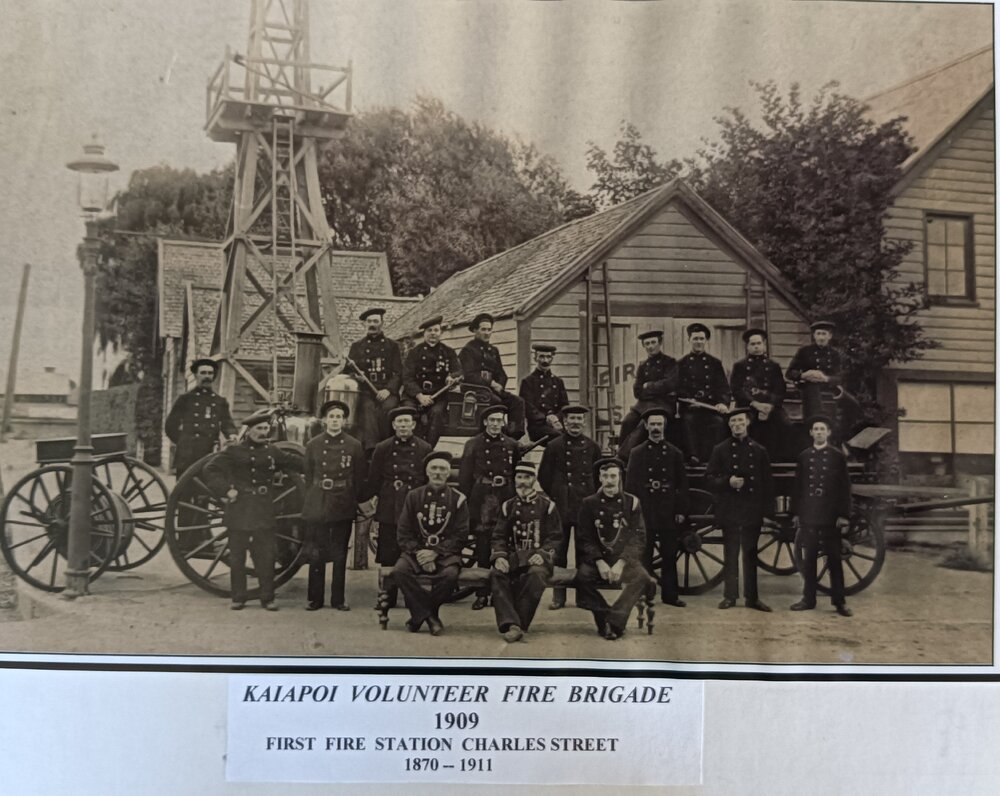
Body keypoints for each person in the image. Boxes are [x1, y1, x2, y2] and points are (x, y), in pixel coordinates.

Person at [202, 409, 303, 610]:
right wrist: (225, 490)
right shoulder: (233, 452)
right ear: (249, 430)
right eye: (259, 428)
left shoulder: (273, 452)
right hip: (239, 508)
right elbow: (210, 469)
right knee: (238, 556)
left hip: (263, 510)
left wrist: (324, 464)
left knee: (265, 555)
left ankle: (268, 597)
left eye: (266, 428)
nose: (263, 432)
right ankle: (238, 597)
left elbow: (297, 463)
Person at [575, 457, 655, 640]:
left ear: (620, 478)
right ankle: (604, 618)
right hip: (598, 559)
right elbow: (584, 538)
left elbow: (639, 538)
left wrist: (621, 563)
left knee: (642, 577)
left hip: (623, 559)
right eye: (605, 476)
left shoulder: (632, 503)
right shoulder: (589, 503)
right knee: (582, 578)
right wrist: (600, 562)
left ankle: (615, 620)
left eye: (613, 476)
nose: (609, 481)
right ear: (600, 478)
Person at [392, 451, 470, 636]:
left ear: (448, 473)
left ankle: (419, 616)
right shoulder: (414, 496)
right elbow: (403, 532)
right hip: (415, 553)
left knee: (450, 576)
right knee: (399, 571)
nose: (437, 472)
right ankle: (430, 617)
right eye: (433, 468)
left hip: (446, 554)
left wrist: (435, 552)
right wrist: (420, 553)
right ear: (427, 472)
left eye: (442, 469)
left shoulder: (458, 499)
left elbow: (461, 534)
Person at [705, 408, 774, 612]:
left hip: (752, 509)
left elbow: (767, 485)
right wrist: (728, 481)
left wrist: (768, 513)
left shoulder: (759, 450)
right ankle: (730, 596)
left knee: (751, 555)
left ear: (747, 423)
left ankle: (752, 598)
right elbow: (709, 478)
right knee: (731, 554)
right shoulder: (720, 449)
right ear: (729, 425)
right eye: (733, 421)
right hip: (730, 509)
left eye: (740, 421)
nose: (737, 425)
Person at [301, 399, 367, 612]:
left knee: (339, 553)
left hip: (342, 502)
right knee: (316, 552)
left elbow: (359, 477)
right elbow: (309, 475)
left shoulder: (354, 445)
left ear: (344, 421)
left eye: (339, 417)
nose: (335, 420)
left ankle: (338, 599)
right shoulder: (313, 444)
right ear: (324, 420)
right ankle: (315, 599)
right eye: (331, 417)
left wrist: (351, 499)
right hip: (318, 501)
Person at [364, 406, 433, 609]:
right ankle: (388, 597)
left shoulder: (424, 448)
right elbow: (374, 478)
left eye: (407, 422)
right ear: (394, 425)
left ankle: (413, 597)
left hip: (413, 504)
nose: (403, 425)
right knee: (388, 552)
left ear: (413, 424)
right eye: (399, 422)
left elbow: (428, 481)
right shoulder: (383, 448)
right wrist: (369, 498)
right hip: (389, 503)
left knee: (414, 550)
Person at [488, 462, 564, 642]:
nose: (522, 482)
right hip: (515, 557)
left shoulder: (547, 506)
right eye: (519, 477)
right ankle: (511, 623)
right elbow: (498, 536)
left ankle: (517, 624)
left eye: (527, 477)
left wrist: (544, 554)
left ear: (534, 480)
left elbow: (556, 537)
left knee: (536, 575)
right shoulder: (508, 506)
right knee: (497, 574)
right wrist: (499, 556)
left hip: (538, 558)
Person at [537, 404, 601, 610]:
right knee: (559, 552)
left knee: (585, 552)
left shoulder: (592, 447)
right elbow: (543, 476)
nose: (575, 423)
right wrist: (556, 495)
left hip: (584, 506)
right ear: (564, 422)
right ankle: (559, 597)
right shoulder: (554, 446)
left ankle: (584, 596)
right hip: (562, 506)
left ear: (583, 423)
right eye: (571, 419)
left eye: (579, 419)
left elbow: (599, 476)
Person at [790, 415, 854, 617]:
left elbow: (844, 488)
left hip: (830, 515)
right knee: (809, 560)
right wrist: (796, 513)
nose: (818, 432)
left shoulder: (837, 456)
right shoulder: (804, 456)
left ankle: (839, 601)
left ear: (828, 433)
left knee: (834, 559)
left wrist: (843, 515)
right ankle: (808, 599)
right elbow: (798, 487)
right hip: (809, 514)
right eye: (815, 429)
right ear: (811, 433)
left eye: (822, 429)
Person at [625, 408, 689, 607]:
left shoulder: (674, 453)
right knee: (645, 556)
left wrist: (680, 510)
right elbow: (630, 487)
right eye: (652, 424)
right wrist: (633, 513)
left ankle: (670, 596)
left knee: (670, 555)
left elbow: (682, 484)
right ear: (646, 426)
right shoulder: (637, 453)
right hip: (646, 511)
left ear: (664, 426)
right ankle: (643, 594)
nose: (655, 428)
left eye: (659, 424)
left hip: (668, 511)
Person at [459, 404, 519, 610]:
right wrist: (465, 503)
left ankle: (500, 593)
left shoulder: (512, 444)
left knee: (504, 543)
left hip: (505, 496)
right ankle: (482, 593)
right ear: (485, 422)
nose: (495, 424)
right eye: (491, 420)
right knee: (483, 544)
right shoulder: (473, 444)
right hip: (481, 497)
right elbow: (465, 477)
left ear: (503, 422)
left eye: (498, 420)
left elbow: (517, 473)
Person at [165, 358, 237, 476]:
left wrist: (232, 434)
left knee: (207, 489)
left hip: (210, 451)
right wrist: (184, 441)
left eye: (210, 373)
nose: (207, 376)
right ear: (196, 375)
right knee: (185, 491)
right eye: (203, 373)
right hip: (188, 454)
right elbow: (170, 426)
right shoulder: (185, 399)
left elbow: (227, 422)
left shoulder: (219, 401)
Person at [459, 313, 526, 439]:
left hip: (492, 390)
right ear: (475, 330)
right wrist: (490, 383)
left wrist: (500, 385)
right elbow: (469, 375)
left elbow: (501, 373)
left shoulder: (493, 351)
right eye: (483, 329)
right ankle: (500, 435)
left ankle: (512, 438)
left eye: (489, 330)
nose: (487, 333)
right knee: (496, 401)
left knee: (518, 402)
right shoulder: (468, 350)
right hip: (474, 389)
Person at [345, 308, 403, 451]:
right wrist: (356, 377)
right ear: (365, 324)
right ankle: (372, 449)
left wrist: (388, 390)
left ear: (382, 323)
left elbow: (399, 372)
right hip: (366, 390)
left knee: (388, 408)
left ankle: (387, 447)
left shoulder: (392, 346)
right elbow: (348, 371)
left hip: (386, 389)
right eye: (369, 321)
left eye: (375, 321)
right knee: (367, 408)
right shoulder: (357, 346)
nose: (372, 324)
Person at [402, 315, 462, 446]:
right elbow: (407, 378)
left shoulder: (449, 352)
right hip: (414, 395)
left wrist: (451, 376)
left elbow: (458, 371)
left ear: (441, 332)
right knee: (408, 413)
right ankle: (410, 447)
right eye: (429, 330)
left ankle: (428, 448)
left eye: (436, 330)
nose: (433, 333)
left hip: (438, 395)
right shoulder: (414, 353)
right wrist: (419, 396)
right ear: (424, 333)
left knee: (437, 414)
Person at [617, 330, 679, 459]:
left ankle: (626, 457)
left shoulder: (670, 362)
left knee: (644, 424)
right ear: (644, 346)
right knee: (627, 421)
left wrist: (648, 386)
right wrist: (656, 388)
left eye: (653, 342)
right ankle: (620, 452)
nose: (650, 346)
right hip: (643, 404)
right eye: (647, 344)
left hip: (664, 404)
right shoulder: (643, 366)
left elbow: (670, 384)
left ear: (659, 343)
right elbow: (637, 391)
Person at [730, 328, 789, 461]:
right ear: (747, 347)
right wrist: (755, 404)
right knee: (747, 424)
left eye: (759, 343)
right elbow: (736, 389)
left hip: (770, 405)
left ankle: (777, 460)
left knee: (785, 424)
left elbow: (780, 389)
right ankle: (746, 458)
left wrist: (770, 405)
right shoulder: (740, 366)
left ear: (764, 345)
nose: (756, 347)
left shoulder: (773, 366)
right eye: (753, 344)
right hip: (748, 405)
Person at [678, 323, 731, 463]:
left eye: (701, 339)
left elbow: (723, 388)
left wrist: (722, 403)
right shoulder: (681, 363)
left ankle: (715, 458)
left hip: (711, 408)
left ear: (706, 341)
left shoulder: (715, 363)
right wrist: (688, 400)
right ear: (689, 340)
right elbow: (677, 388)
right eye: (695, 339)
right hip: (690, 408)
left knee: (719, 423)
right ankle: (693, 456)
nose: (698, 342)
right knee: (688, 421)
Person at [786, 320, 843, 422]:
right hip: (809, 387)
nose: (821, 337)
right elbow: (789, 373)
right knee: (814, 404)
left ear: (829, 336)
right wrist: (803, 375)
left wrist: (826, 378)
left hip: (828, 387)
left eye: (824, 334)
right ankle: (816, 423)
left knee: (853, 404)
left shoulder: (835, 354)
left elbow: (840, 377)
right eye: (818, 334)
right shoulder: (804, 351)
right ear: (814, 336)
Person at [518, 343, 569, 442]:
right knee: (559, 438)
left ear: (552, 359)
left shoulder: (558, 382)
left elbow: (565, 406)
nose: (545, 361)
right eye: (541, 356)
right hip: (537, 427)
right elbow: (527, 408)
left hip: (557, 424)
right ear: (535, 358)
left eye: (548, 357)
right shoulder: (528, 381)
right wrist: (546, 418)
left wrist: (556, 418)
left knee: (573, 438)